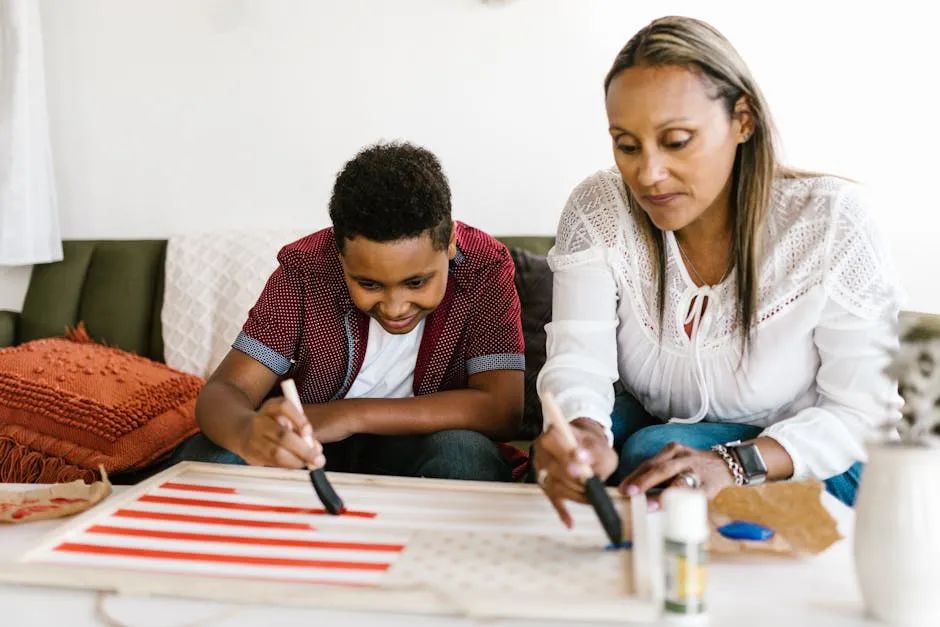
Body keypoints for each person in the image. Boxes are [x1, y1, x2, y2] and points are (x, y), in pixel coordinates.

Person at [533, 15, 902, 526]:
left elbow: (864, 416)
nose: (648, 174)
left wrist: (735, 462)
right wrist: (581, 433)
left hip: (811, 454)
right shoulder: (600, 209)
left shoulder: (830, 222)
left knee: (653, 450)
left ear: (743, 120)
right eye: (627, 144)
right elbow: (579, 363)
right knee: (576, 450)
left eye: (677, 140)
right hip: (659, 425)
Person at [179, 141, 525, 481]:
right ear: (339, 254)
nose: (395, 307)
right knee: (211, 459)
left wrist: (348, 415)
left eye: (416, 282)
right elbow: (226, 389)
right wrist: (248, 432)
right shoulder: (306, 270)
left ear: (449, 242)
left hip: (417, 447)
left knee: (465, 456)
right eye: (369, 284)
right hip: (305, 448)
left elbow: (501, 409)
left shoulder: (483, 268)